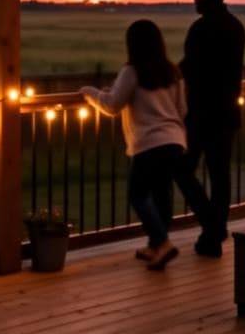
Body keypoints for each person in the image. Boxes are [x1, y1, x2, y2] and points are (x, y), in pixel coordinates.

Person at [80, 19, 209, 271]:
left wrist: (90, 93)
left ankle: (162, 242)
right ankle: (156, 247)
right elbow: (182, 109)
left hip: (149, 142)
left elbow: (112, 105)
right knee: (162, 194)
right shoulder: (172, 72)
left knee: (137, 195)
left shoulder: (132, 71)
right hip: (174, 141)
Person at [179, 0, 245, 257]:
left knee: (181, 170)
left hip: (199, 115)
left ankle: (213, 227)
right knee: (220, 177)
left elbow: (189, 70)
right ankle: (212, 234)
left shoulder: (202, 28)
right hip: (227, 114)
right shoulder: (235, 26)